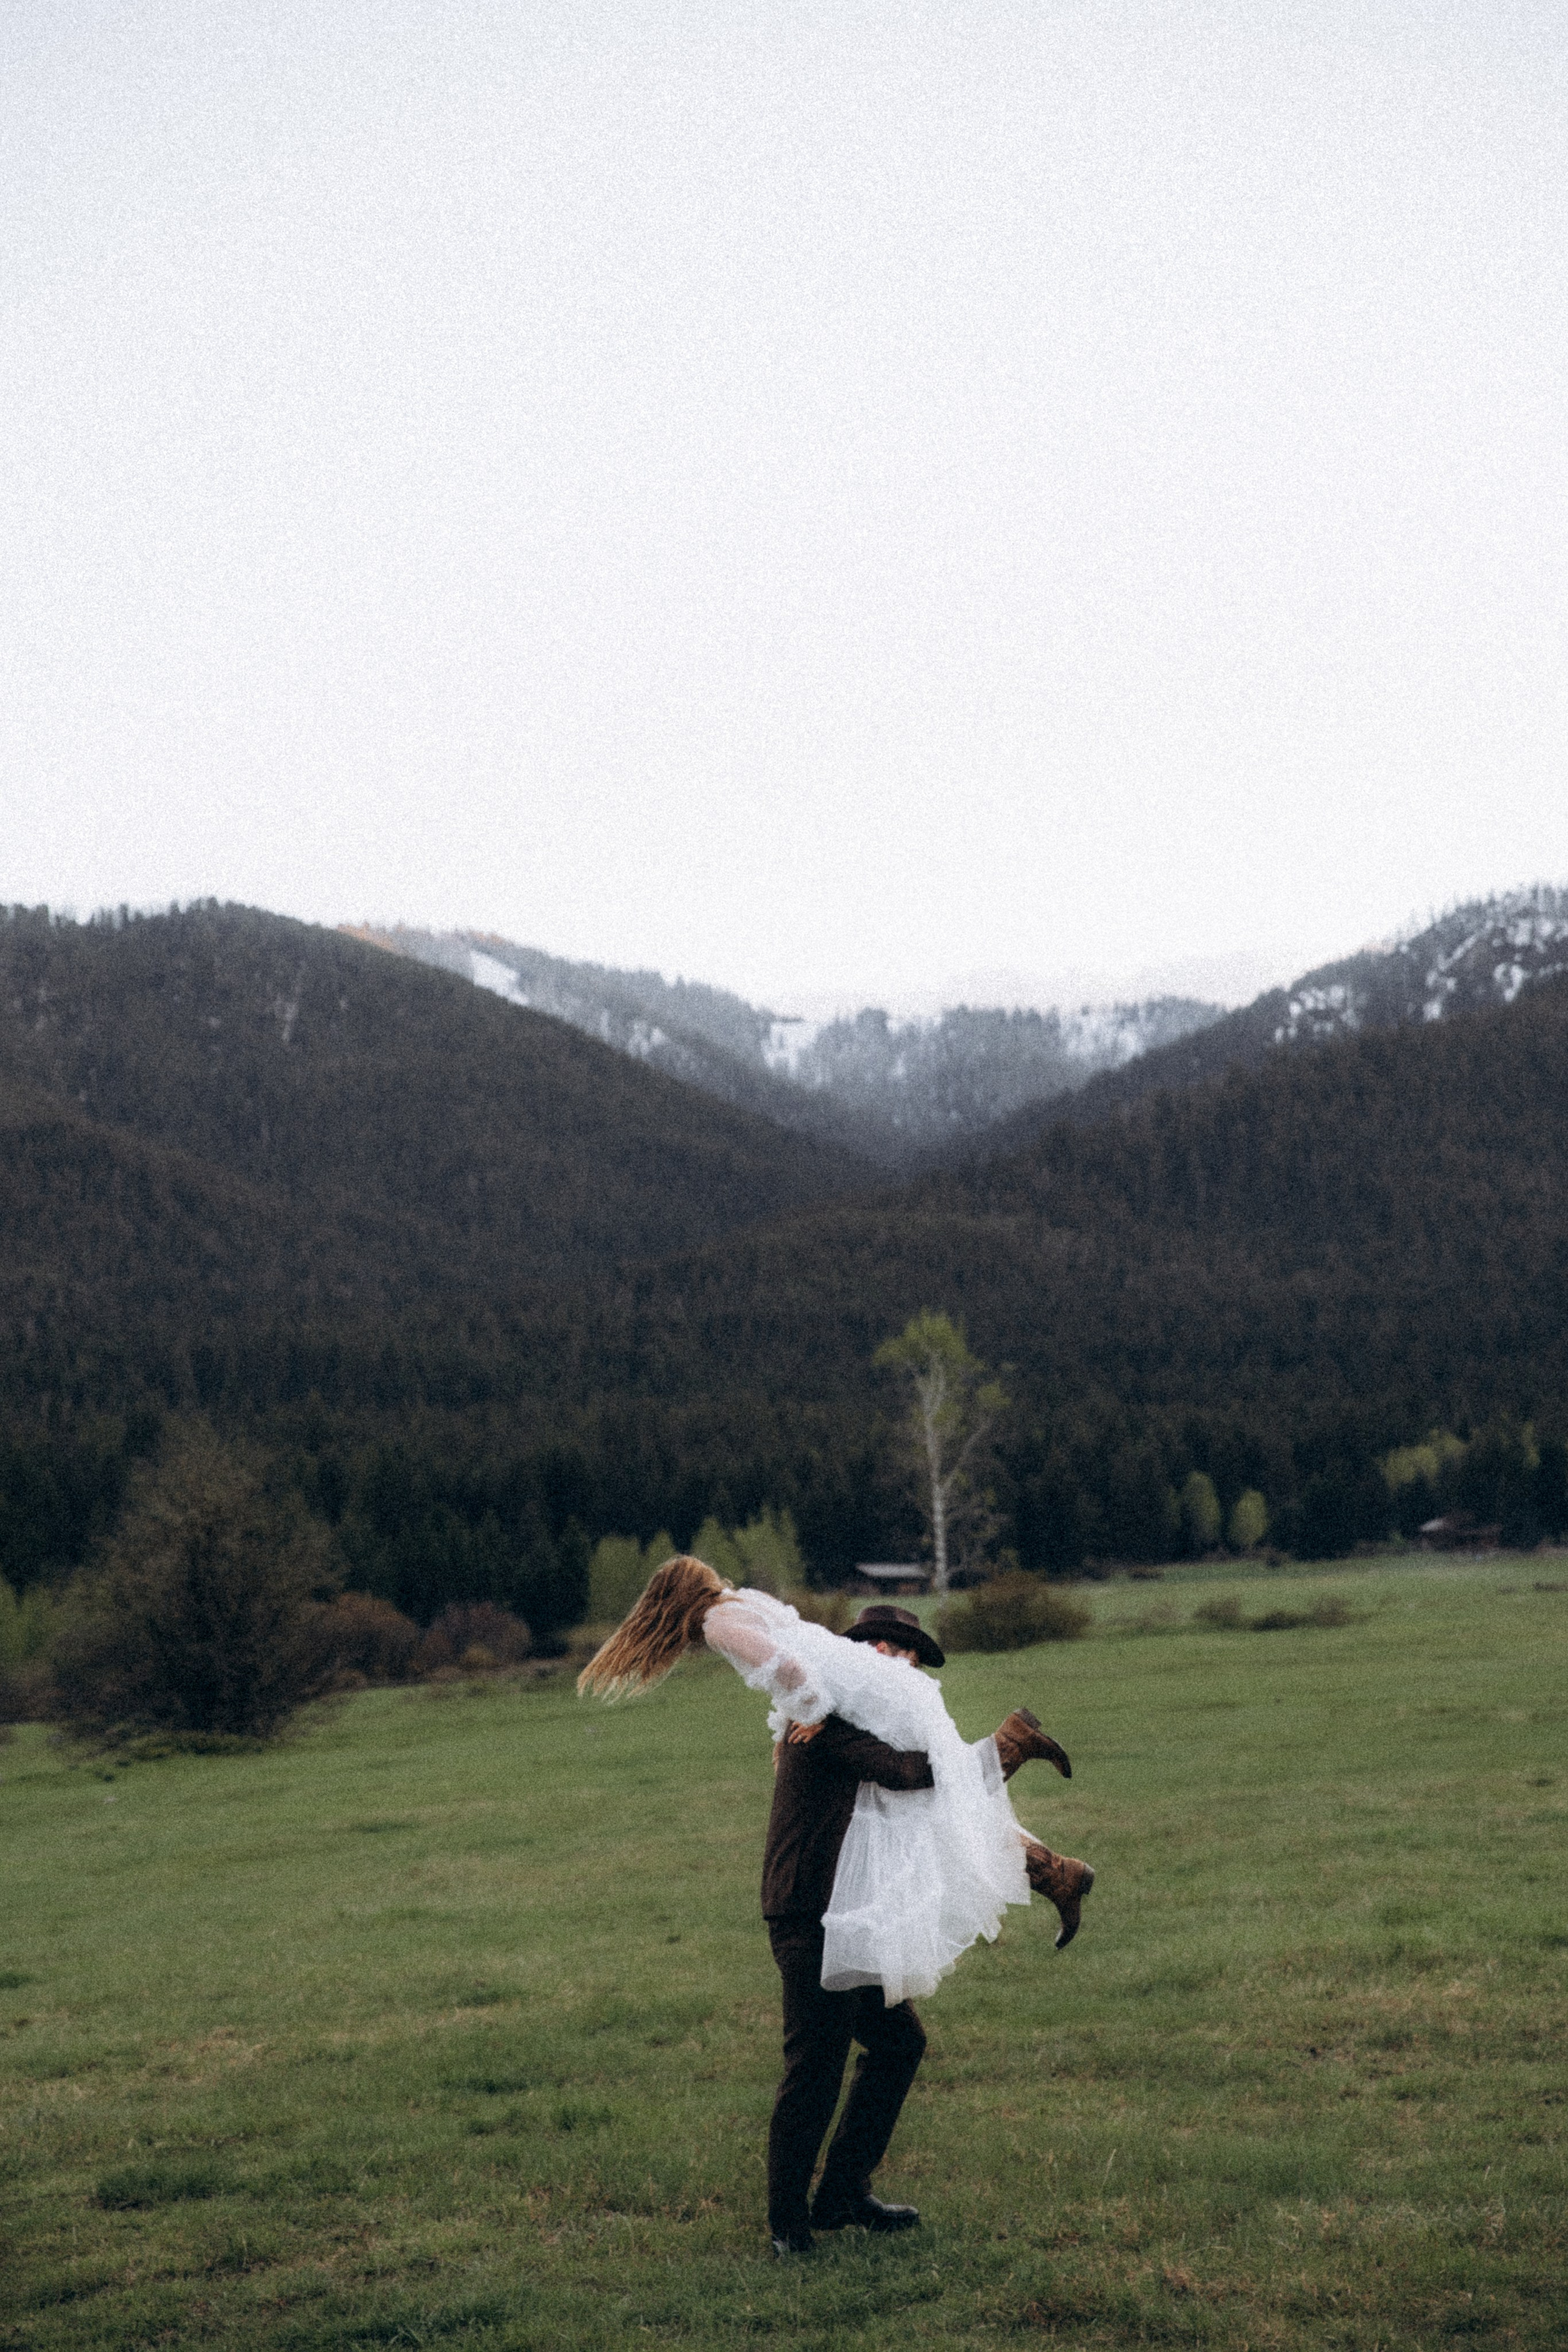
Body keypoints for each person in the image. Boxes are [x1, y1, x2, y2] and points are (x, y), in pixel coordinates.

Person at [579, 1558, 1095, 2255]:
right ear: (856, 1652)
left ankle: (842, 2196)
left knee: (898, 2044)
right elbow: (907, 1775)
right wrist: (1001, 1751)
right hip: (813, 1913)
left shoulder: (846, 1717)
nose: (899, 1659)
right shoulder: (818, 1721)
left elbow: (929, 1801)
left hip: (855, 1916)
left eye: (910, 1651)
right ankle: (789, 2227)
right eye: (886, 1647)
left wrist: (1035, 1848)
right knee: (814, 2069)